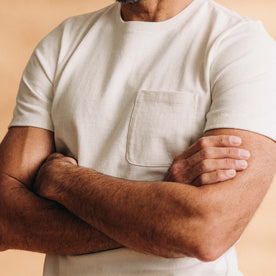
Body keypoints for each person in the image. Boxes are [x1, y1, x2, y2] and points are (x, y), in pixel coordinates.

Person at [0, 0, 276, 275]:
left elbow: (209, 231)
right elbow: (5, 218)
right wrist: (162, 216)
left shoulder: (242, 46)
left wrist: (63, 181)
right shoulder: (62, 43)